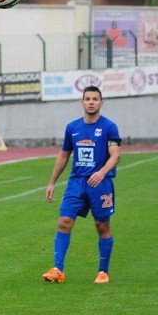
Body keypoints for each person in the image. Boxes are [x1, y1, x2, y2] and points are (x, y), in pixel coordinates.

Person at [42, 85, 121, 284]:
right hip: (76, 183)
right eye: (88, 99)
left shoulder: (109, 127)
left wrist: (102, 172)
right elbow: (64, 155)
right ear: (82, 102)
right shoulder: (73, 128)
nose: (91, 102)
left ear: (101, 103)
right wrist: (52, 182)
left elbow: (115, 156)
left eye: (95, 99)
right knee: (64, 222)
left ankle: (103, 272)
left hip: (100, 184)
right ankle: (58, 269)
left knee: (102, 226)